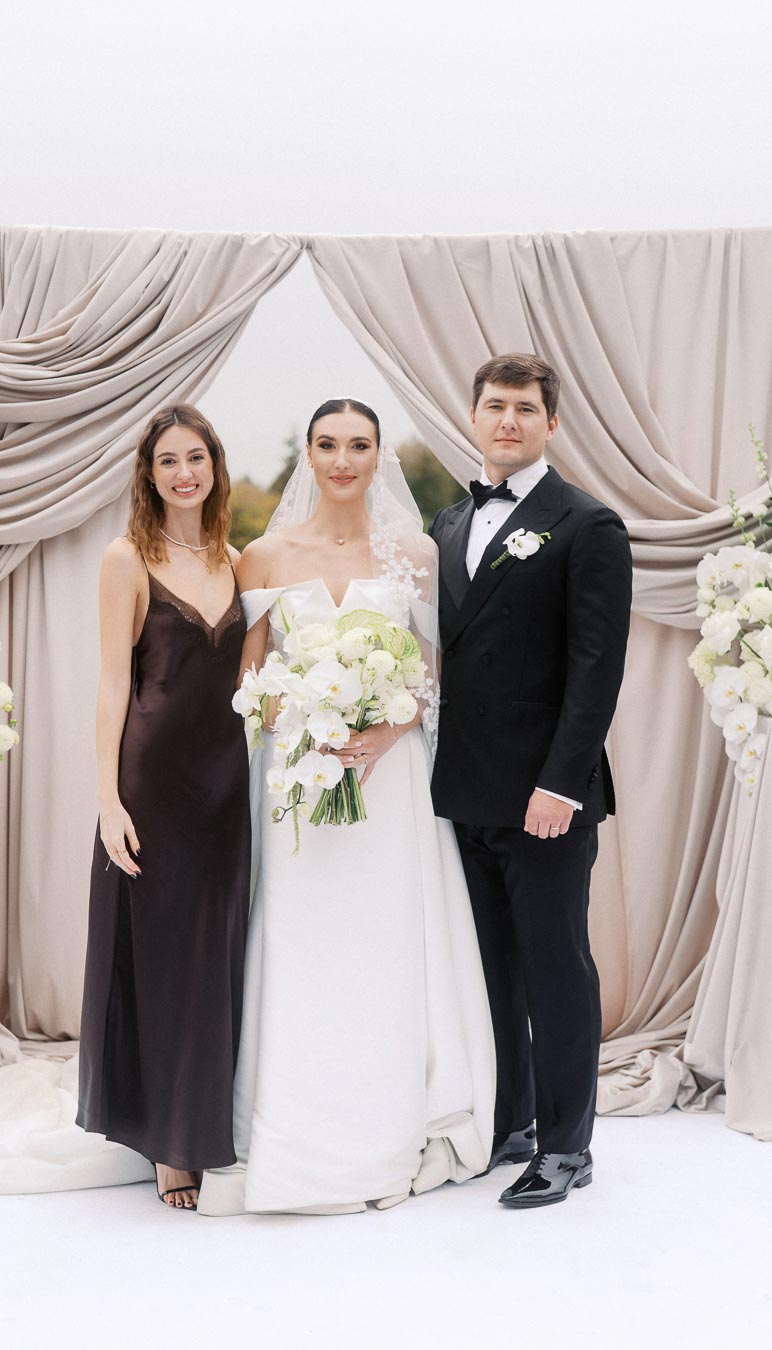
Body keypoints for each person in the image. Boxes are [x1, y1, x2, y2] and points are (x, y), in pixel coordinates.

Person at [197, 399, 495, 1217]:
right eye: (328, 444)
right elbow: (248, 679)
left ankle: (390, 1116)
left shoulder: (417, 554)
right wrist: (295, 720)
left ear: (378, 456)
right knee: (300, 942)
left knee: (385, 939)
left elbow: (433, 673)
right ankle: (292, 1118)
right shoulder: (262, 555)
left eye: (359, 445)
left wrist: (385, 731)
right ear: (309, 453)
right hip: (297, 783)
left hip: (390, 781)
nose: (342, 459)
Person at [430, 353, 632, 1208]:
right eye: (493, 406)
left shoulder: (587, 525)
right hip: (461, 793)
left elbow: (597, 672)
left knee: (556, 968)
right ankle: (509, 1123)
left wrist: (562, 785)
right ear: (472, 418)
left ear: (551, 424)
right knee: (489, 972)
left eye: (524, 408)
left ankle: (568, 1146)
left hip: (547, 797)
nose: (507, 420)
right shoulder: (444, 525)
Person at [76, 404, 250, 1210]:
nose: (184, 473)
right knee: (158, 952)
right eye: (168, 461)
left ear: (215, 465)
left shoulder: (236, 558)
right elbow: (116, 681)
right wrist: (108, 799)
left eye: (196, 458)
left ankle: (205, 1114)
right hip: (153, 782)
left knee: (214, 953)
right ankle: (166, 1142)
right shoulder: (127, 557)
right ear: (148, 474)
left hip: (227, 783)